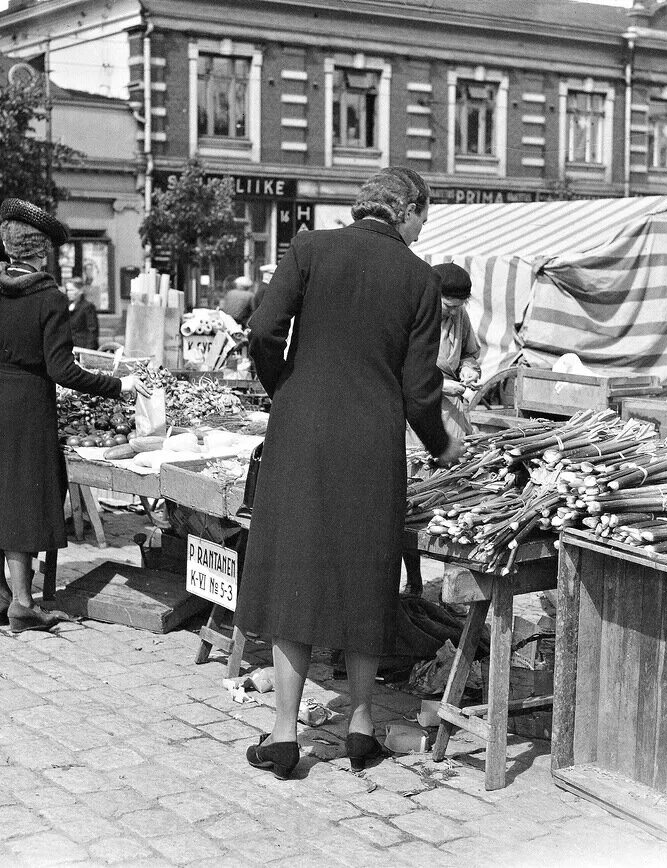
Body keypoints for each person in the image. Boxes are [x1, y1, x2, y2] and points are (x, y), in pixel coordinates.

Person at [237, 167, 462, 779]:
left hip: (301, 434)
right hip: (372, 443)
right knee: (367, 572)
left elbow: (260, 329)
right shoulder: (418, 278)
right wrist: (442, 442)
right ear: (407, 209)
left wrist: (283, 383)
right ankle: (361, 725)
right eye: (424, 217)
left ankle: (285, 737)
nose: (422, 230)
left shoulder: (312, 247)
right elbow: (421, 391)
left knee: (294, 571)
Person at [0, 199, 148, 633]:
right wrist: (119, 386)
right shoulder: (49, 297)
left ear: (7, 245)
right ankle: (23, 603)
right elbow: (62, 370)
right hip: (24, 406)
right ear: (43, 252)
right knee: (20, 502)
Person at [403, 261, 482, 594]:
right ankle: (416, 580)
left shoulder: (460, 316)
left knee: (454, 498)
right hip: (417, 417)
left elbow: (470, 353)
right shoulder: (412, 314)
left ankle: (456, 582)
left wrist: (469, 371)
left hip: (453, 417)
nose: (454, 313)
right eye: (449, 306)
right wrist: (440, 384)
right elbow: (402, 366)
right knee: (412, 502)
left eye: (459, 307)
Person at [63, 279, 99, 350]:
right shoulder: (66, 306)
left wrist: (88, 350)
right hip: (69, 348)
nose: (68, 293)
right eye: (67, 290)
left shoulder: (87, 307)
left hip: (83, 347)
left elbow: (92, 330)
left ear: (80, 291)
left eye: (71, 290)